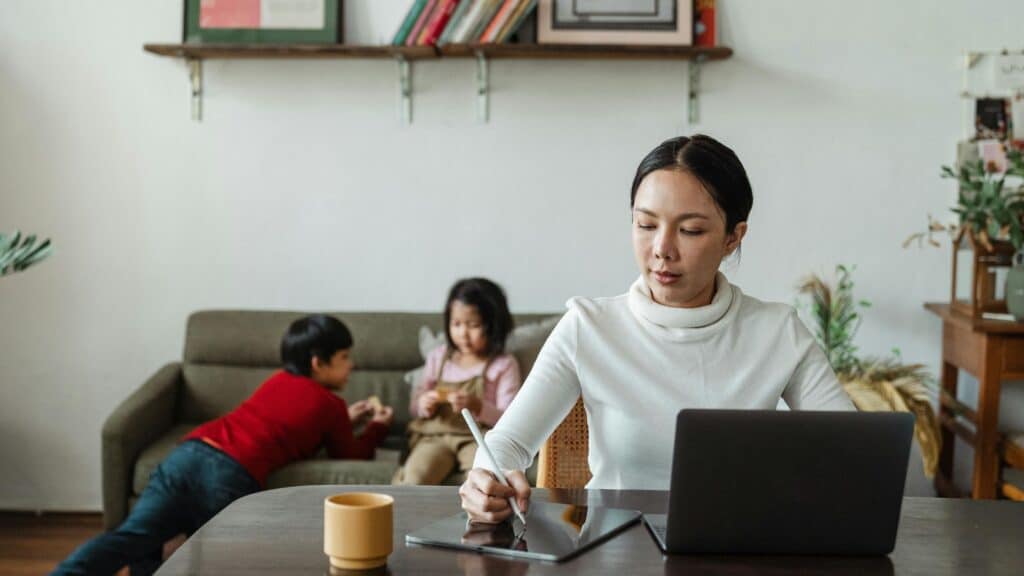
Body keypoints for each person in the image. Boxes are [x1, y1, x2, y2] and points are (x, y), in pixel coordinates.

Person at [458, 134, 855, 523]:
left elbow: (852, 449)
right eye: (646, 225)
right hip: (614, 556)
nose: (662, 249)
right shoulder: (589, 327)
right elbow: (507, 443)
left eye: (691, 230)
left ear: (733, 236)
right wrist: (487, 480)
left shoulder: (776, 331)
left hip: (735, 550)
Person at [53, 315, 394, 576]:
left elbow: (287, 422)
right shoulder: (330, 405)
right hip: (229, 473)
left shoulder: (278, 380)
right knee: (227, 560)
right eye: (345, 357)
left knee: (134, 539)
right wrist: (377, 426)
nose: (352, 365)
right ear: (319, 362)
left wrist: (346, 420)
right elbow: (350, 454)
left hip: (189, 452)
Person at [394, 278, 522, 485]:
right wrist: (424, 404)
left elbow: (510, 419)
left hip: (477, 439)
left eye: (473, 325)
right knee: (415, 479)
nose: (463, 333)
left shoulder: (503, 365)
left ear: (494, 326)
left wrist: (478, 406)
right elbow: (415, 407)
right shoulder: (439, 357)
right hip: (435, 436)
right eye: (456, 324)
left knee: (484, 482)